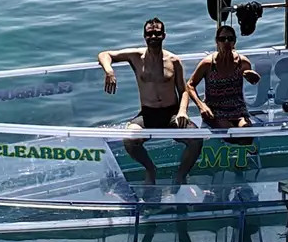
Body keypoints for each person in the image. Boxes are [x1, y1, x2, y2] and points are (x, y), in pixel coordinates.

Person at [98, 18, 201, 184]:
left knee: (196, 139)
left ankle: (181, 175)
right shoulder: (136, 57)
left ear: (164, 36)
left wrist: (183, 112)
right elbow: (104, 54)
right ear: (144, 36)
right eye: (149, 34)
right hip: (148, 114)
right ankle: (150, 169)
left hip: (172, 114)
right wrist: (109, 71)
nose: (153, 36)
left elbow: (183, 91)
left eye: (157, 33)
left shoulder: (173, 61)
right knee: (130, 140)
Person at [186, 24, 260, 130]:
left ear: (234, 41)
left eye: (230, 39)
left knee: (246, 132)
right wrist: (201, 106)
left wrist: (255, 77)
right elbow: (190, 85)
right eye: (222, 39)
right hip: (215, 109)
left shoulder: (242, 62)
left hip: (238, 108)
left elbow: (253, 81)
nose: (226, 42)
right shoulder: (208, 63)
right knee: (229, 131)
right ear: (217, 41)